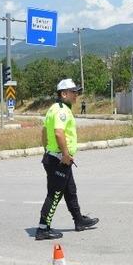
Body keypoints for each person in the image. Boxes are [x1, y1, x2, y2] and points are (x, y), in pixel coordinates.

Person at [35, 78, 99, 240]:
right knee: (54, 194)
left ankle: (79, 220)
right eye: (73, 92)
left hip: (57, 157)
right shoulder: (62, 110)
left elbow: (44, 132)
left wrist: (48, 150)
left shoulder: (54, 108)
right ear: (63, 94)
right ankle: (43, 228)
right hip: (59, 160)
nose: (76, 95)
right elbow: (58, 132)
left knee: (70, 191)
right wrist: (63, 154)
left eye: (76, 92)